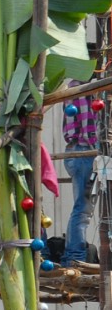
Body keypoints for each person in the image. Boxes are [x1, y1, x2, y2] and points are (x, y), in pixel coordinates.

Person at [64, 71, 100, 266]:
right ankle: (75, 256)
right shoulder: (82, 88)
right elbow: (88, 130)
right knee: (82, 208)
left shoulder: (75, 86)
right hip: (83, 152)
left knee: (82, 208)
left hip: (78, 153)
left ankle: (73, 254)